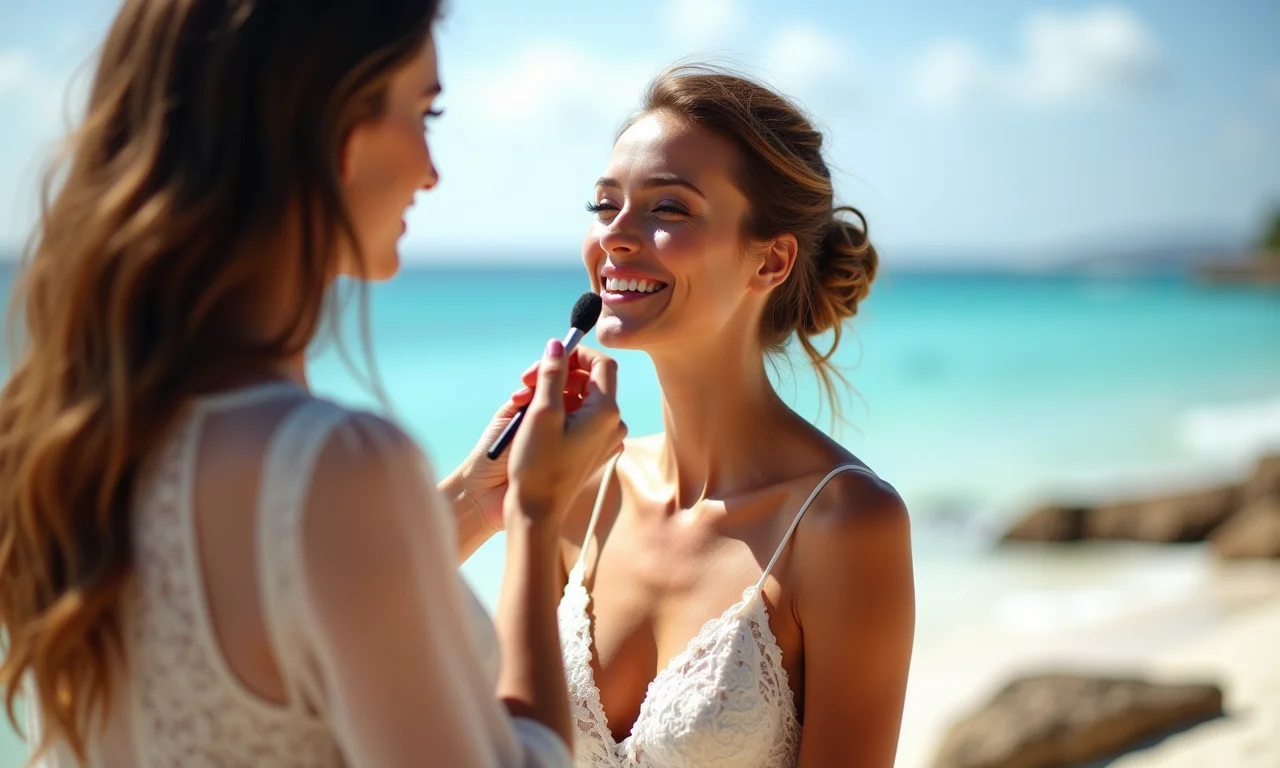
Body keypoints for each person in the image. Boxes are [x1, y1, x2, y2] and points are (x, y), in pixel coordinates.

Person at [0, 1, 625, 766]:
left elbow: (280, 596)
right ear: (327, 128)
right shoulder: (337, 464)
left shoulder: (65, 433)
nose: (433, 172)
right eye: (424, 115)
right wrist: (534, 512)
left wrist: (474, 496)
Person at [455, 65, 916, 767]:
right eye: (604, 205)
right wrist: (502, 498)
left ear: (771, 261)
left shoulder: (845, 523)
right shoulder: (577, 490)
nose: (615, 235)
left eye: (667, 209)